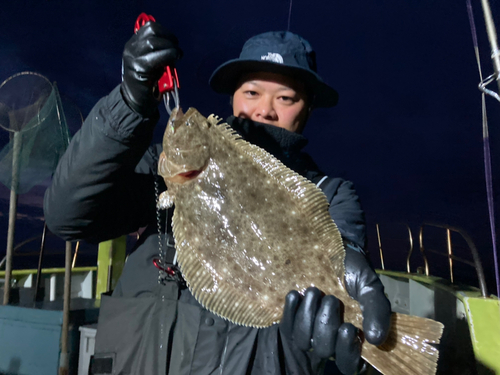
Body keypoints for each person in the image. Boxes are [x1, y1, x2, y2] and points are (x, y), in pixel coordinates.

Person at [44, 21, 391, 375]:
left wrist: (345, 303)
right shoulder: (163, 170)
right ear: (233, 98)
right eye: (252, 93)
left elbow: (343, 248)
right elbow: (68, 214)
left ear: (308, 108)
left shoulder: (331, 194)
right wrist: (129, 103)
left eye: (285, 98)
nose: (265, 110)